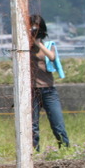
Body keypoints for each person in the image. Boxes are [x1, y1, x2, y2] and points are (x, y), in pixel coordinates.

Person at [29, 14, 70, 151]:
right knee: (32, 125)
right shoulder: (25, 47)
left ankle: (65, 149)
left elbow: (52, 57)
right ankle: (34, 151)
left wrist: (38, 43)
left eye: (37, 29)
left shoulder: (48, 45)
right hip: (32, 90)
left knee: (57, 123)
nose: (34, 31)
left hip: (49, 90)